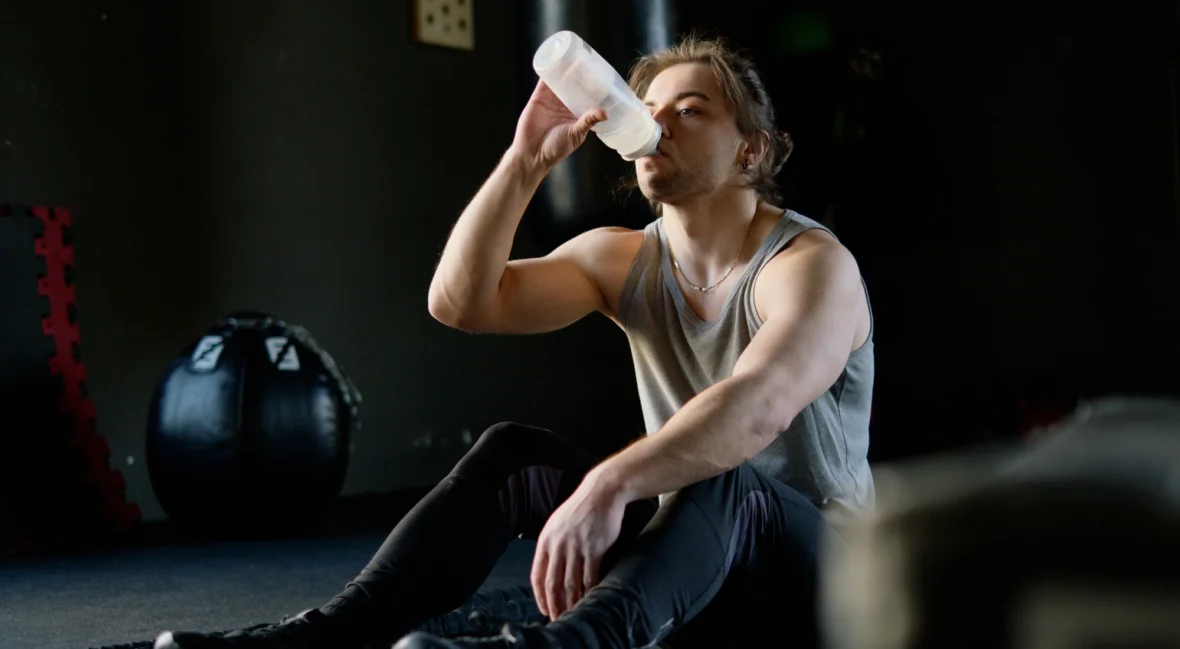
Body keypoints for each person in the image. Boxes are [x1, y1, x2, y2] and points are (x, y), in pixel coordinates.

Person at [153, 33, 875, 649]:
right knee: (514, 454)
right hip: (694, 567)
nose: (659, 126)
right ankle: (324, 637)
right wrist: (526, 158)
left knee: (720, 471)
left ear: (750, 151)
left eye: (690, 112)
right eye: (649, 111)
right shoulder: (622, 257)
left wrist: (609, 482)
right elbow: (461, 301)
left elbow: (758, 409)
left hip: (830, 590)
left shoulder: (809, 264)